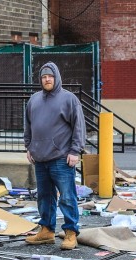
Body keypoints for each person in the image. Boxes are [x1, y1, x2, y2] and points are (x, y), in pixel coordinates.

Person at [23, 62, 86, 250]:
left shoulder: (69, 99)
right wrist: (28, 147)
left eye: (50, 76)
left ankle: (70, 233)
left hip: (61, 158)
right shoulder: (34, 100)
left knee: (67, 196)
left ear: (56, 77)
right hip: (40, 158)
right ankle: (46, 231)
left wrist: (75, 151)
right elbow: (28, 125)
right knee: (44, 196)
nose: (47, 79)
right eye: (43, 77)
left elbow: (79, 126)